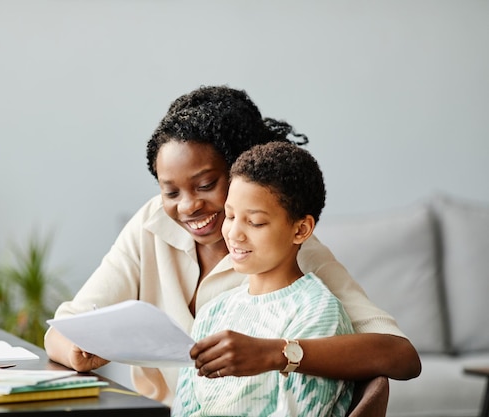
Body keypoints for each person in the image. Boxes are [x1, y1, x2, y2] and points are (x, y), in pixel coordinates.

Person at [44, 85, 421, 406]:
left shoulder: (294, 251)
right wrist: (78, 350)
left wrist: (276, 353)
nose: (188, 206)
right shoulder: (151, 223)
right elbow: (62, 328)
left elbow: (401, 355)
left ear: (243, 171)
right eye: (170, 191)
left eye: (206, 185)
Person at [172, 141, 354, 417]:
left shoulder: (318, 314)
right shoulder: (213, 312)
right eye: (230, 215)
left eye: (255, 222)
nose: (234, 233)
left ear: (301, 229)